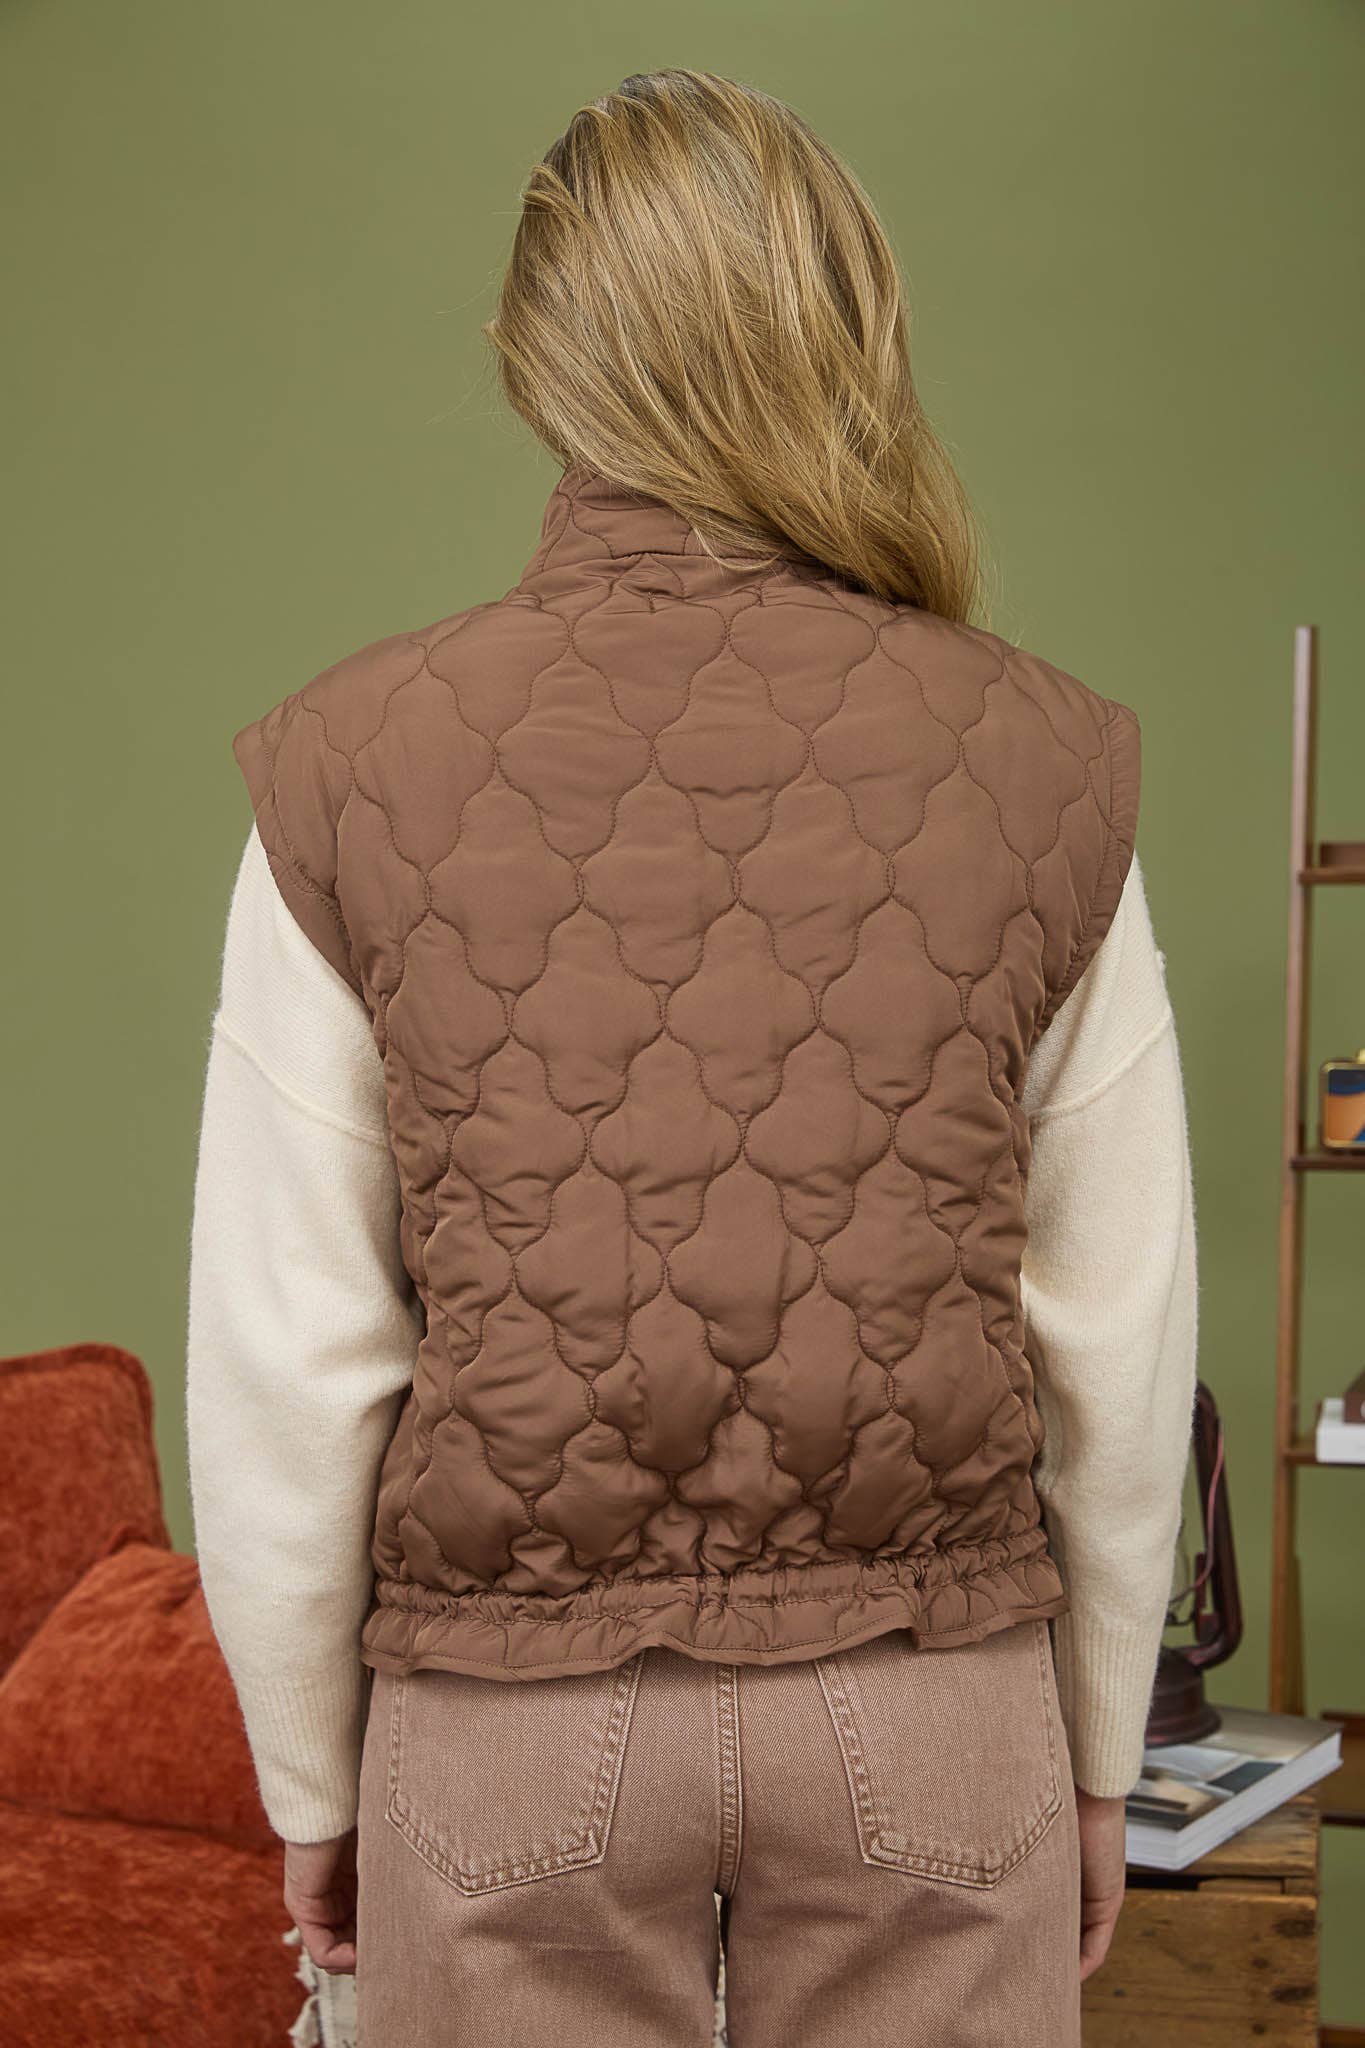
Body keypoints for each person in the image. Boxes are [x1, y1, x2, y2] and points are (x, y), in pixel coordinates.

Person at [186, 67, 1197, 2048]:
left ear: (541, 356)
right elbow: (1114, 1324)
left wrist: (311, 1777)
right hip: (932, 1702)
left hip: (503, 1726)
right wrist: (1094, 1747)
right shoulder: (1039, 756)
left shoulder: (350, 763)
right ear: (847, 326)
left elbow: (289, 1350)